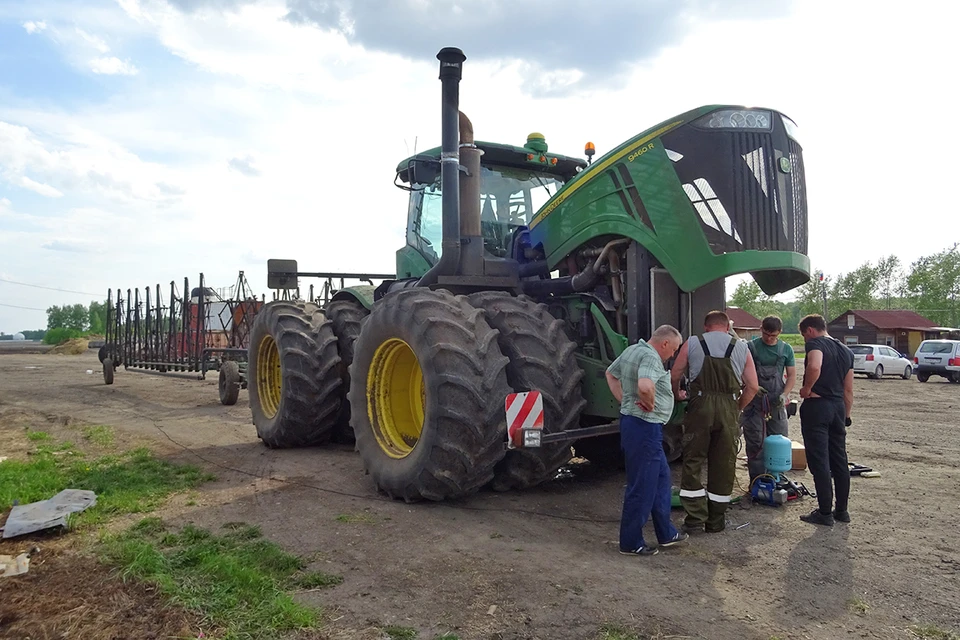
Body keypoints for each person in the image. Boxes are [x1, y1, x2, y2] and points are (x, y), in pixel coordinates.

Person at [671, 311, 759, 533]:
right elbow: (753, 387)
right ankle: (716, 521)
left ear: (706, 326)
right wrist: (736, 407)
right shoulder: (741, 347)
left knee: (693, 461)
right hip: (728, 407)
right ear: (726, 326)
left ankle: (694, 520)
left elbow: (675, 374)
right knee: (723, 464)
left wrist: (677, 394)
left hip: (699, 407)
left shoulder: (693, 342)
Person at [605, 325, 689, 556]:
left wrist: (624, 400)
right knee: (642, 485)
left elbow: (610, 374)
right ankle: (631, 542)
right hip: (644, 428)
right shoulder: (651, 357)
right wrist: (650, 404)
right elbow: (644, 386)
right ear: (664, 344)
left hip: (637, 425)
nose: (672, 355)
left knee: (661, 479)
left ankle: (666, 533)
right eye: (673, 349)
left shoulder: (633, 350)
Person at [797, 314, 855, 526]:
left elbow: (814, 366)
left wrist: (807, 388)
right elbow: (848, 389)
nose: (805, 339)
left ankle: (824, 512)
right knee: (839, 459)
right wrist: (847, 415)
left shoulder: (815, 344)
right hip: (838, 407)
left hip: (817, 406)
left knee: (819, 460)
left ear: (810, 330)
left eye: (804, 335)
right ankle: (842, 510)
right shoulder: (846, 351)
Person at [740, 315, 797, 482]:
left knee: (779, 440)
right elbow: (742, 371)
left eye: (773, 335)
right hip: (754, 403)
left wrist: (784, 394)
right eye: (766, 334)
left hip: (776, 403)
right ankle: (757, 481)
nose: (769, 338)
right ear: (761, 329)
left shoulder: (786, 349)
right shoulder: (751, 347)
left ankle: (776, 480)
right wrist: (752, 387)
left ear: (780, 332)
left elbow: (792, 376)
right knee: (756, 442)